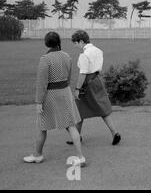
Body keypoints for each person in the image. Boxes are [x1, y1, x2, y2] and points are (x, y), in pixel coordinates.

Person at [24, 32, 86, 166]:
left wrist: (38, 102)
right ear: (58, 42)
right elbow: (69, 78)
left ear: (46, 43)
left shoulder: (45, 59)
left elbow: (42, 83)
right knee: (71, 125)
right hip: (65, 92)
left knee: (42, 126)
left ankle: (38, 155)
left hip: (50, 95)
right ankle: (80, 157)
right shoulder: (67, 56)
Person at [68, 30, 121, 146]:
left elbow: (83, 74)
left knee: (79, 109)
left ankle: (76, 137)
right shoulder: (98, 50)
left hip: (87, 83)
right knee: (101, 108)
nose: (75, 46)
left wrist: (77, 89)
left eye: (76, 43)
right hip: (97, 80)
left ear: (81, 41)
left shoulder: (84, 55)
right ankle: (114, 132)